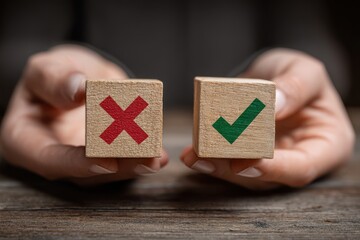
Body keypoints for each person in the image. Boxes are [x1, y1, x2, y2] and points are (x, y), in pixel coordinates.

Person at [0, 0, 355, 189]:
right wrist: (48, 77)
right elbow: (18, 46)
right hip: (79, 120)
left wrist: (306, 79)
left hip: (258, 122)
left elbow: (315, 46)